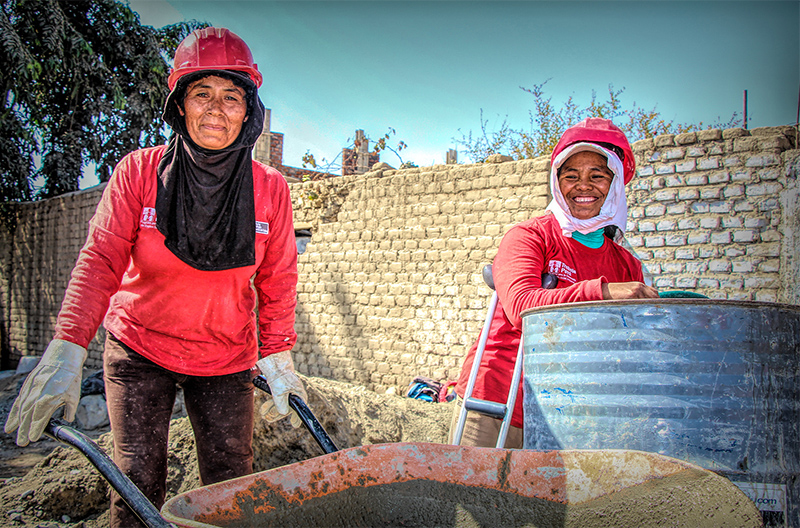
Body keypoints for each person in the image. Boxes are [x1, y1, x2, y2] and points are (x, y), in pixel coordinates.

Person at [4, 27, 307, 527]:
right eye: (201, 94)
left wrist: (277, 353)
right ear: (179, 105)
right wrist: (67, 348)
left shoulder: (270, 188)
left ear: (248, 110)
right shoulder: (139, 172)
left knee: (232, 485)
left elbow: (277, 278)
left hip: (225, 356)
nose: (216, 109)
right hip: (139, 349)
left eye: (232, 97)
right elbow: (99, 259)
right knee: (138, 483)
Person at [449, 118, 659, 449]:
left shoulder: (627, 265)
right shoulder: (530, 236)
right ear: (556, 182)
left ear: (615, 184)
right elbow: (521, 306)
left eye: (597, 176)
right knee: (472, 496)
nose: (583, 185)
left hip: (572, 413)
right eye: (571, 175)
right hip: (501, 404)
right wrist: (602, 292)